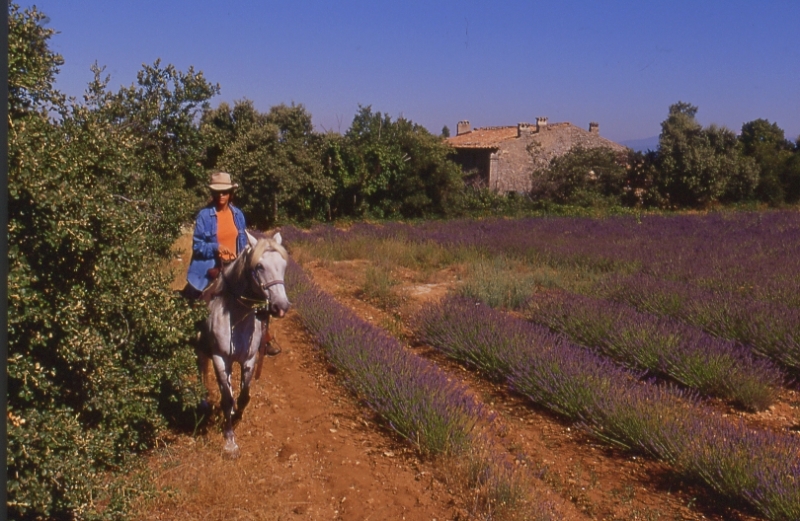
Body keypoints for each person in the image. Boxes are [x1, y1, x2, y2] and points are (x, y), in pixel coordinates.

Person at [184, 171, 281, 355]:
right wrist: (216, 248)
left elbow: (243, 243)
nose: (221, 196)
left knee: (259, 293)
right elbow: (197, 246)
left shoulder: (238, 215)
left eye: (225, 192)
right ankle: (196, 337)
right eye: (217, 192)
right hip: (210, 268)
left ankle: (263, 336)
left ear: (231, 193)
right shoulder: (204, 216)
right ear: (212, 193)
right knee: (197, 299)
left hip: (234, 266)